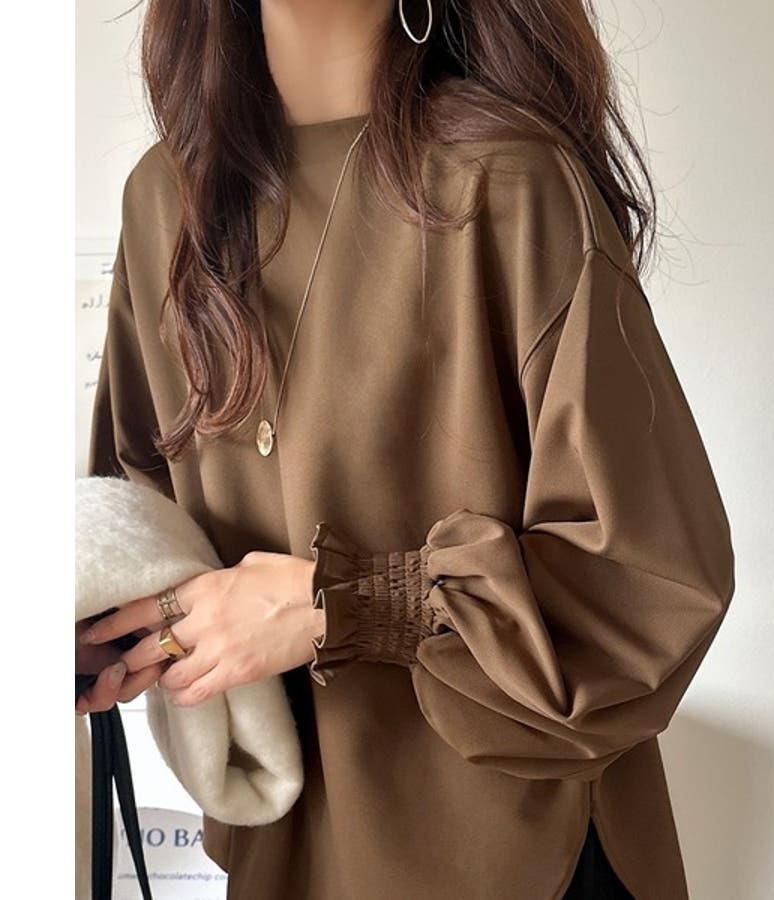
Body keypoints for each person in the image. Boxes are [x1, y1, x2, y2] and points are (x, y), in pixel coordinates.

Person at [81, 1, 735, 897]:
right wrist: (102, 629)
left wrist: (344, 603)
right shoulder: (165, 199)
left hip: (514, 845)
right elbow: (137, 508)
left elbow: (651, 580)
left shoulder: (508, 181)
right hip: (292, 845)